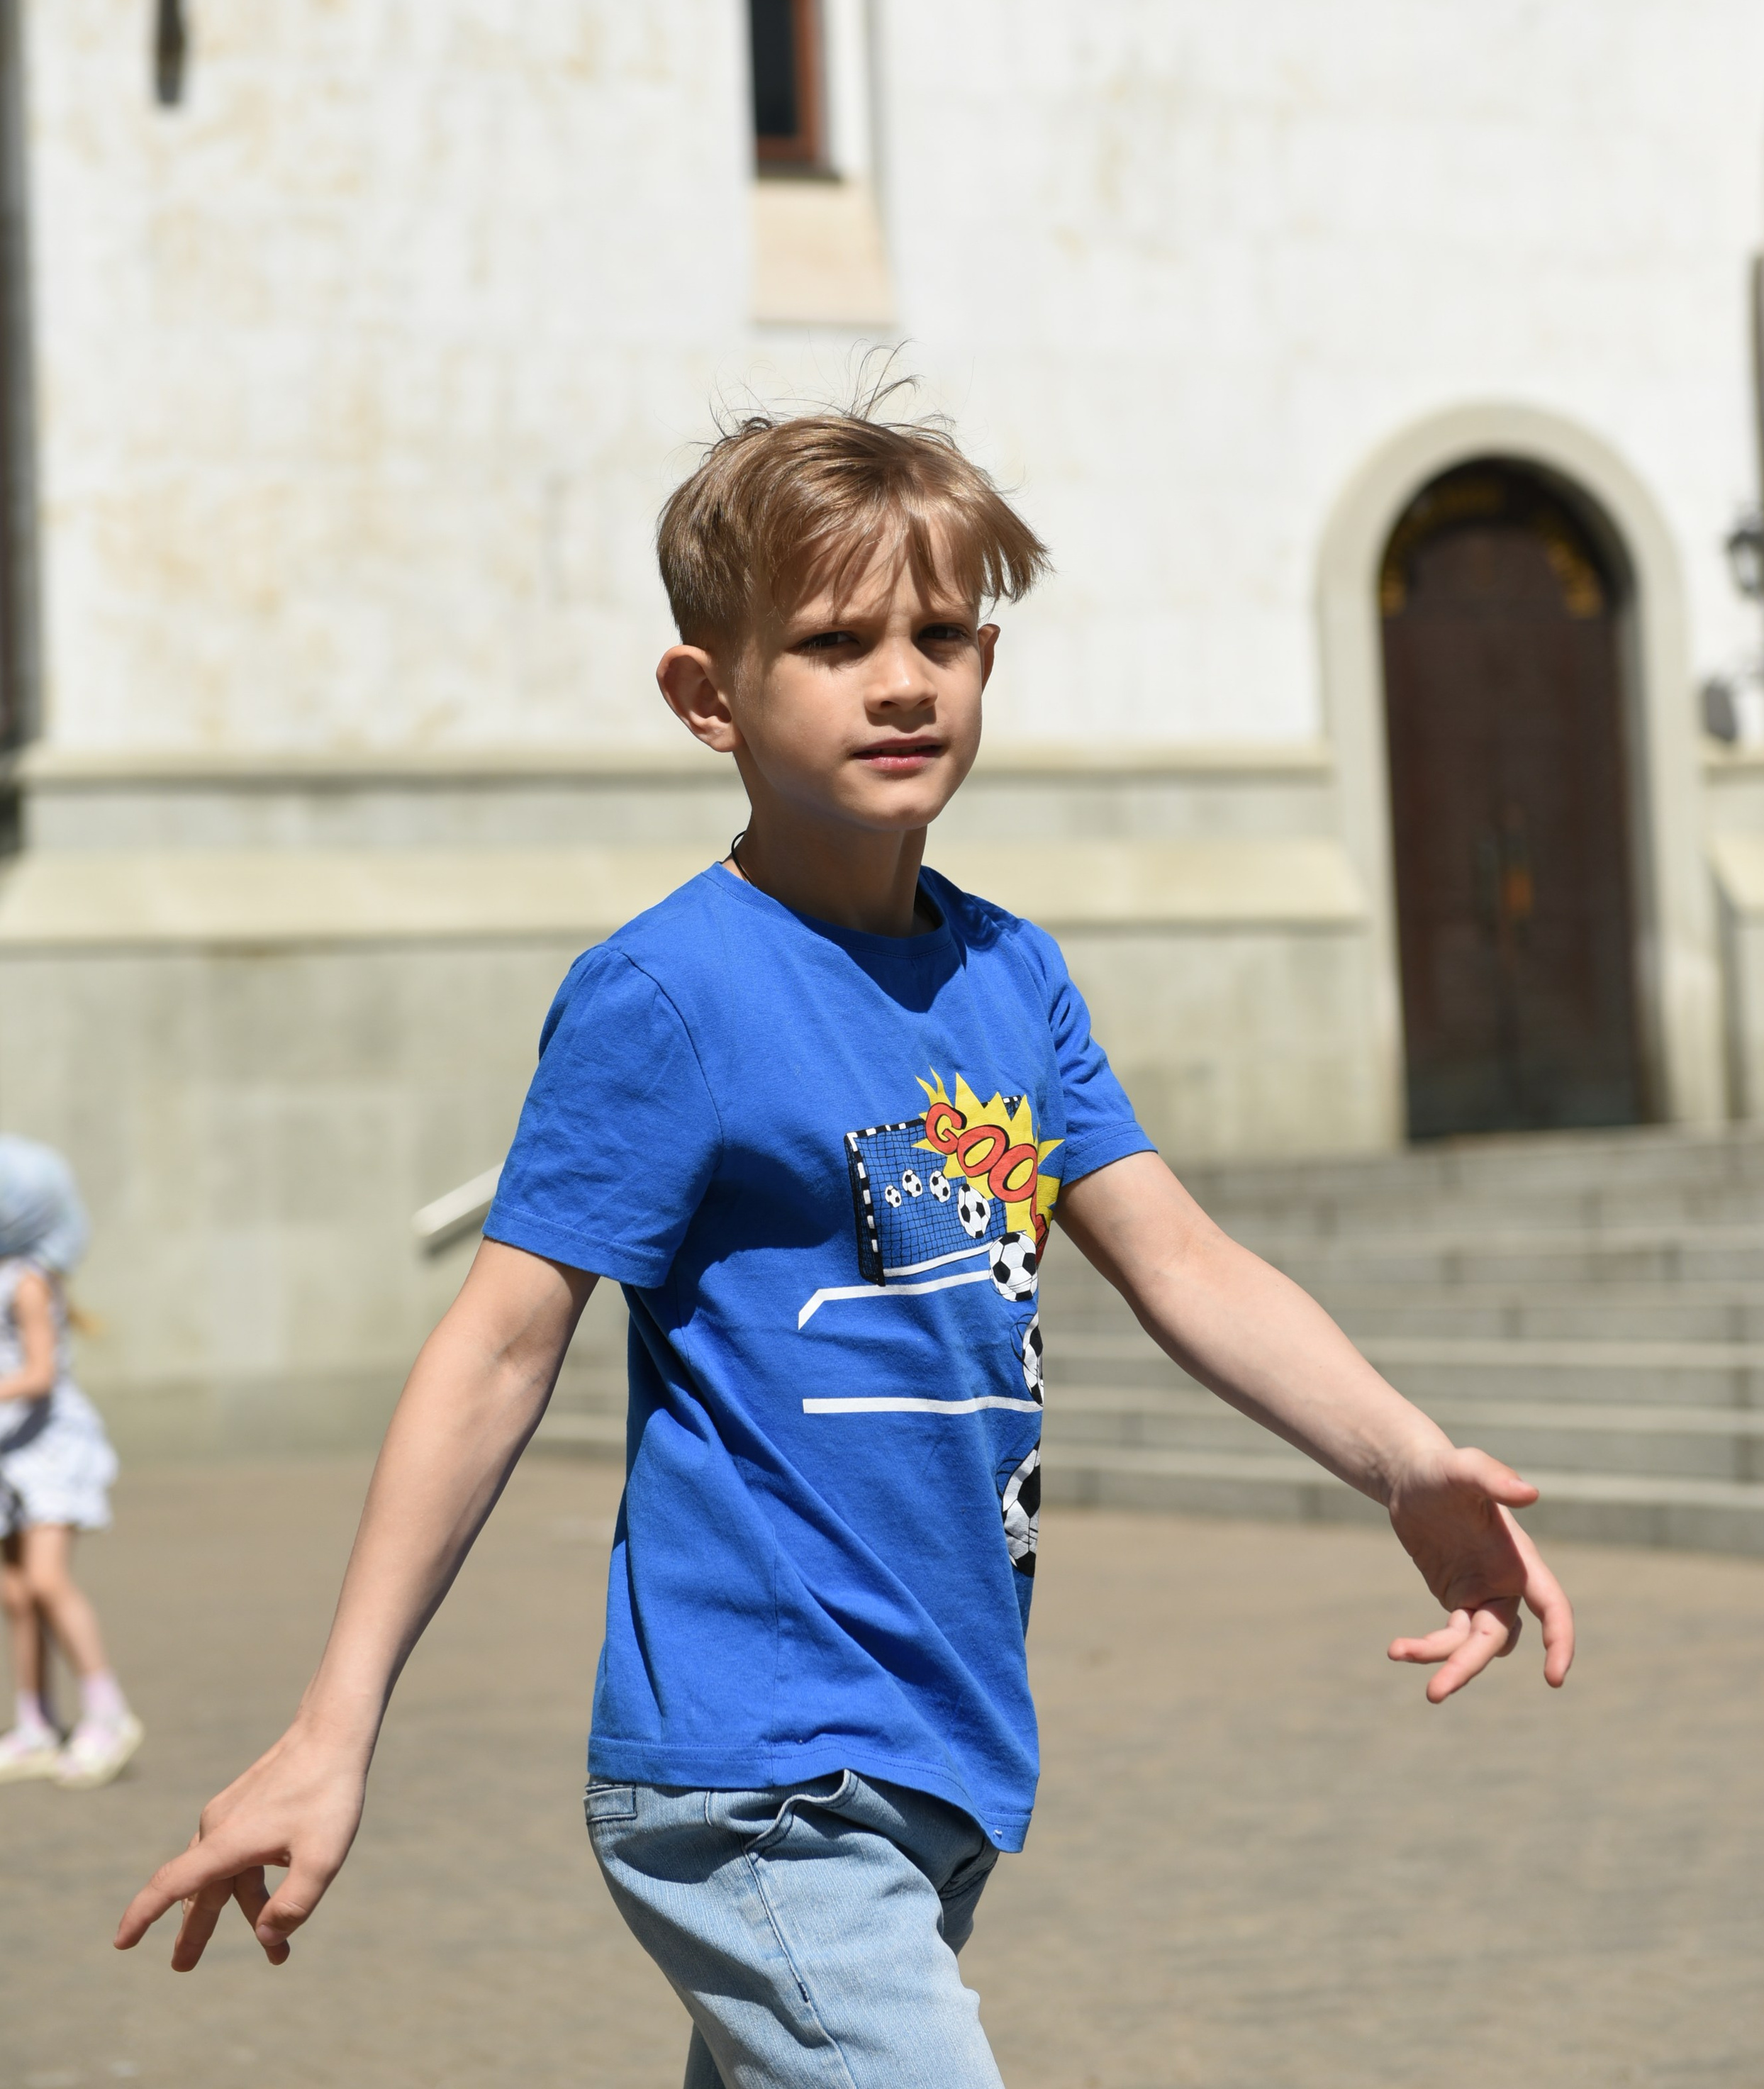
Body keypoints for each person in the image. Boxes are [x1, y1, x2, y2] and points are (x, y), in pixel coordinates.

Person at [116, 396, 1573, 2083]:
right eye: (831, 639)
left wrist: (1402, 1458)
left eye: (941, 632)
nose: (902, 676)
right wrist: (332, 1718)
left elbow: (1180, 1260)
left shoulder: (1007, 975)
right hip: (756, 1767)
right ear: (704, 694)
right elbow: (500, 1344)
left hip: (940, 1742)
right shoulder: (669, 993)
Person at [0, 1133, 143, 1788]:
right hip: (7, 1450)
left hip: (47, 1448)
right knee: (16, 1592)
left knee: (49, 1581)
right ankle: (34, 1720)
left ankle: (108, 1712)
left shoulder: (28, 1281)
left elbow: (37, 1374)